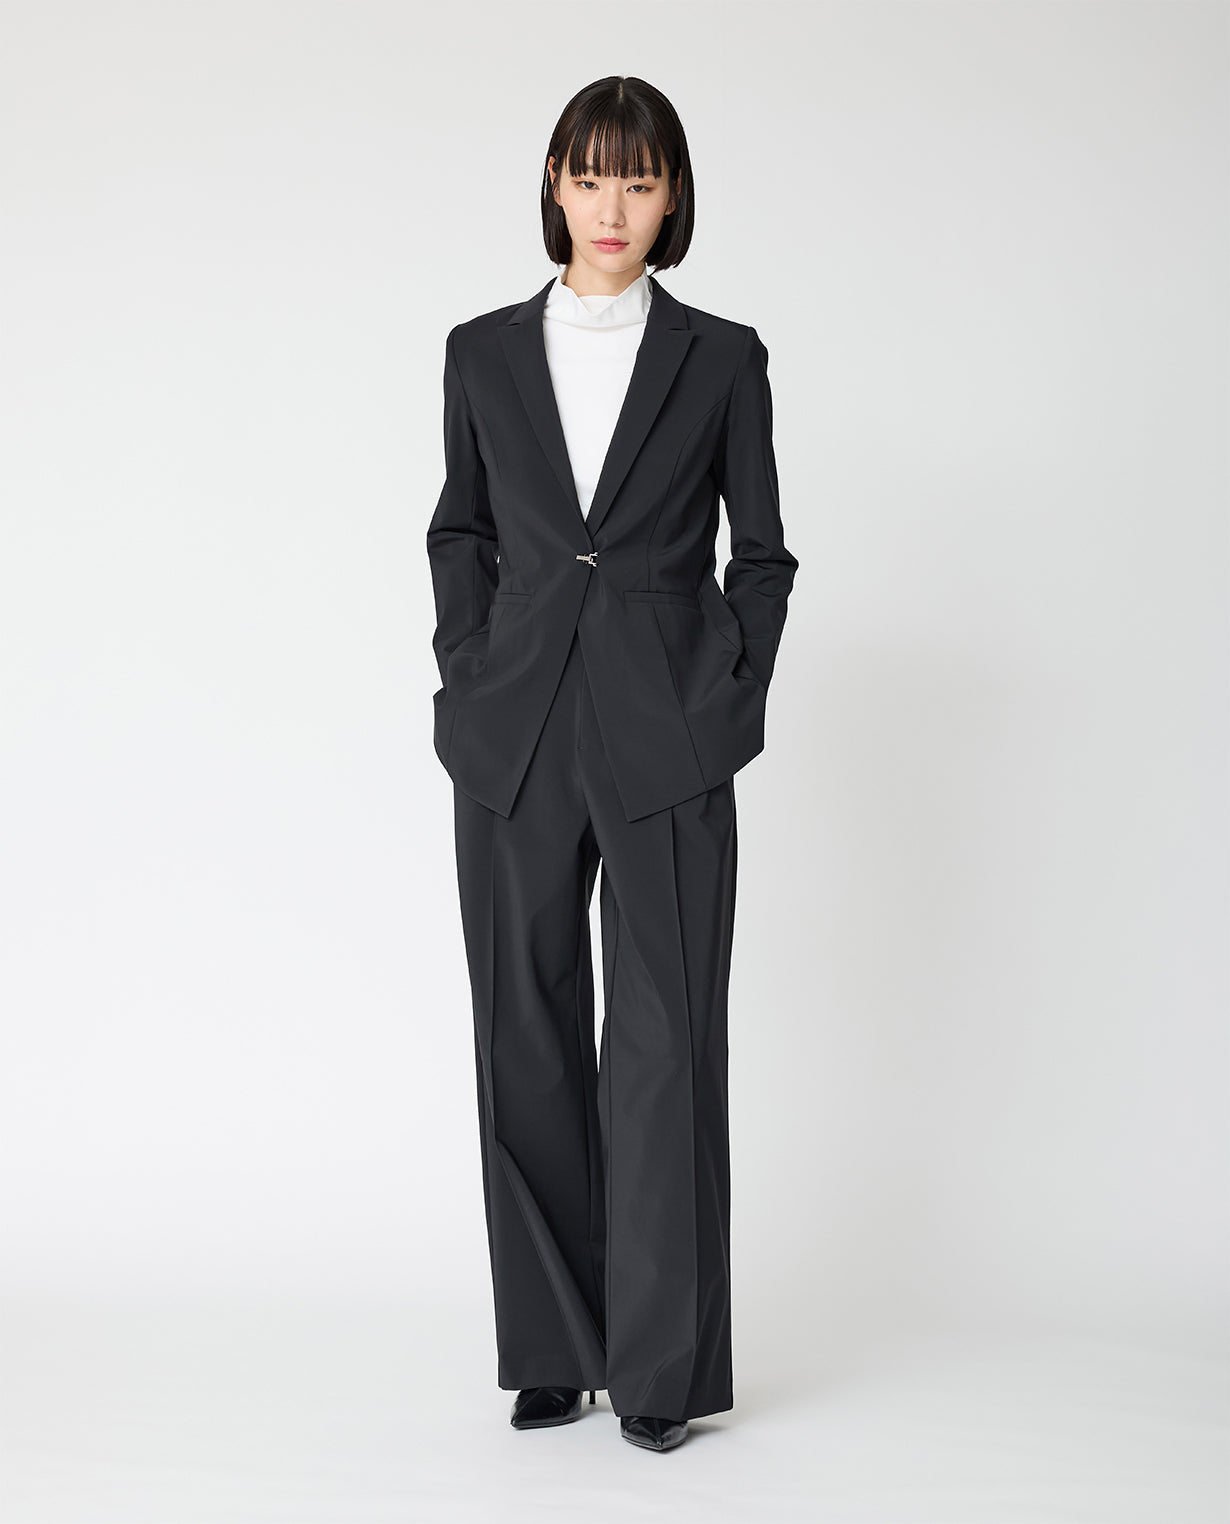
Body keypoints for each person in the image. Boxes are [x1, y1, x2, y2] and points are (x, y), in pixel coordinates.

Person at [426, 75, 798, 1452]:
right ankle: (551, 1347)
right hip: (514, 731)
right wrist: (466, 671)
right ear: (553, 184)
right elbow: (461, 531)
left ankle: (658, 1368)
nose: (612, 207)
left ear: (672, 197)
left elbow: (760, 554)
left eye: (638, 181)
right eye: (590, 177)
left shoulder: (721, 358)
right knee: (522, 1030)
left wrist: (729, 703)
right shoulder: (480, 353)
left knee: (664, 1042)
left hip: (666, 733)